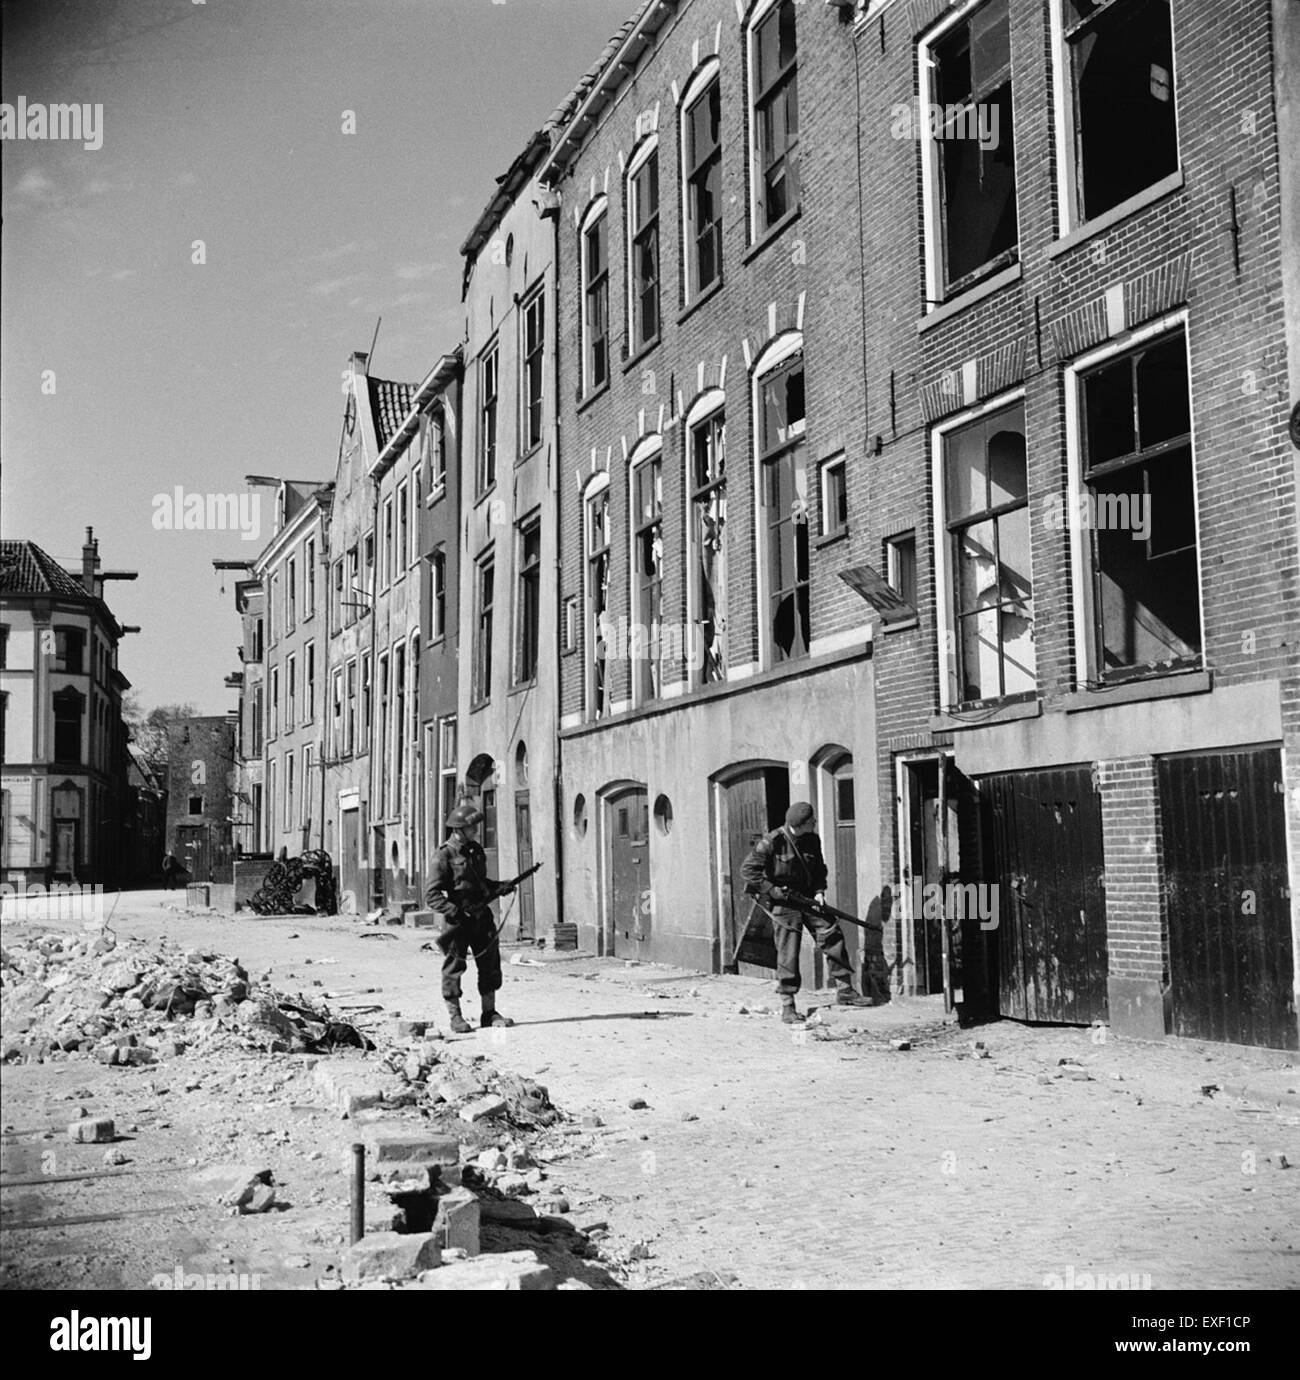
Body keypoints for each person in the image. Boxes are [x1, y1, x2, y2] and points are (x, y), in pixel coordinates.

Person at [740, 801, 871, 1024]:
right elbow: (747, 871)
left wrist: (820, 891)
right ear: (802, 824)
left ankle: (845, 990)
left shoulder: (812, 839)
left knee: (832, 935)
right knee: (787, 952)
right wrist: (772, 890)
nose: (815, 824)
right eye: (812, 822)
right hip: (783, 903)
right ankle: (788, 1005)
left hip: (808, 898)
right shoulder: (772, 842)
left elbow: (819, 868)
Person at [424, 804, 517, 1034]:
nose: (476, 830)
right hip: (458, 919)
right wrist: (454, 911)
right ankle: (455, 1017)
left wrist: (500, 886)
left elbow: (481, 884)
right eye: (471, 827)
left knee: (490, 963)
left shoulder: (475, 850)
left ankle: (489, 1012)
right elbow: (431, 895)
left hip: (481, 916)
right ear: (459, 829)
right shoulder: (444, 854)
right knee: (454, 966)